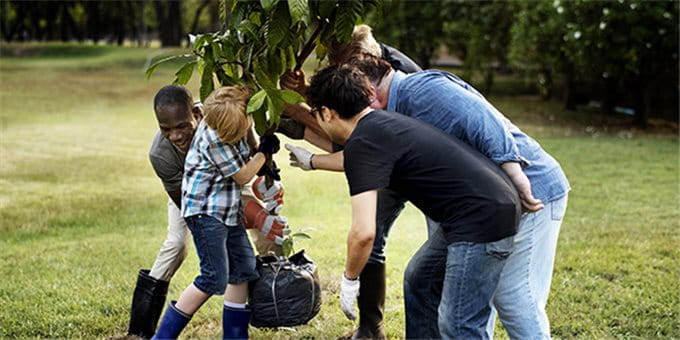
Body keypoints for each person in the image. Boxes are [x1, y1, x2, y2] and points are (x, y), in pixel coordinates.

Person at [291, 54, 571, 339]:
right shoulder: (383, 122)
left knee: (471, 317)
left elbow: (363, 233)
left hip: (500, 207)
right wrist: (311, 160)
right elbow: (355, 157)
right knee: (420, 278)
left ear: (327, 112)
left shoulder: (419, 94)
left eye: (317, 113)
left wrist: (349, 282)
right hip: (479, 208)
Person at [279, 24, 421, 339]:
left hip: (419, 167)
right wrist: (305, 95)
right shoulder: (365, 65)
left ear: (362, 58)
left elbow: (359, 144)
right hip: (391, 157)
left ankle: (376, 328)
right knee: (377, 241)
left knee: (380, 241)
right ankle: (371, 328)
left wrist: (300, 113)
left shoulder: (400, 78)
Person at [127, 86, 284, 338]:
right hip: (204, 212)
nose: (175, 136)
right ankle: (161, 336)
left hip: (226, 208)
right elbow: (243, 174)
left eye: (181, 127)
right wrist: (264, 153)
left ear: (197, 114)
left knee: (243, 269)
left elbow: (246, 163)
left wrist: (263, 162)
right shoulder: (212, 139)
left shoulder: (222, 116)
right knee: (213, 277)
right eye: (167, 130)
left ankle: (235, 335)